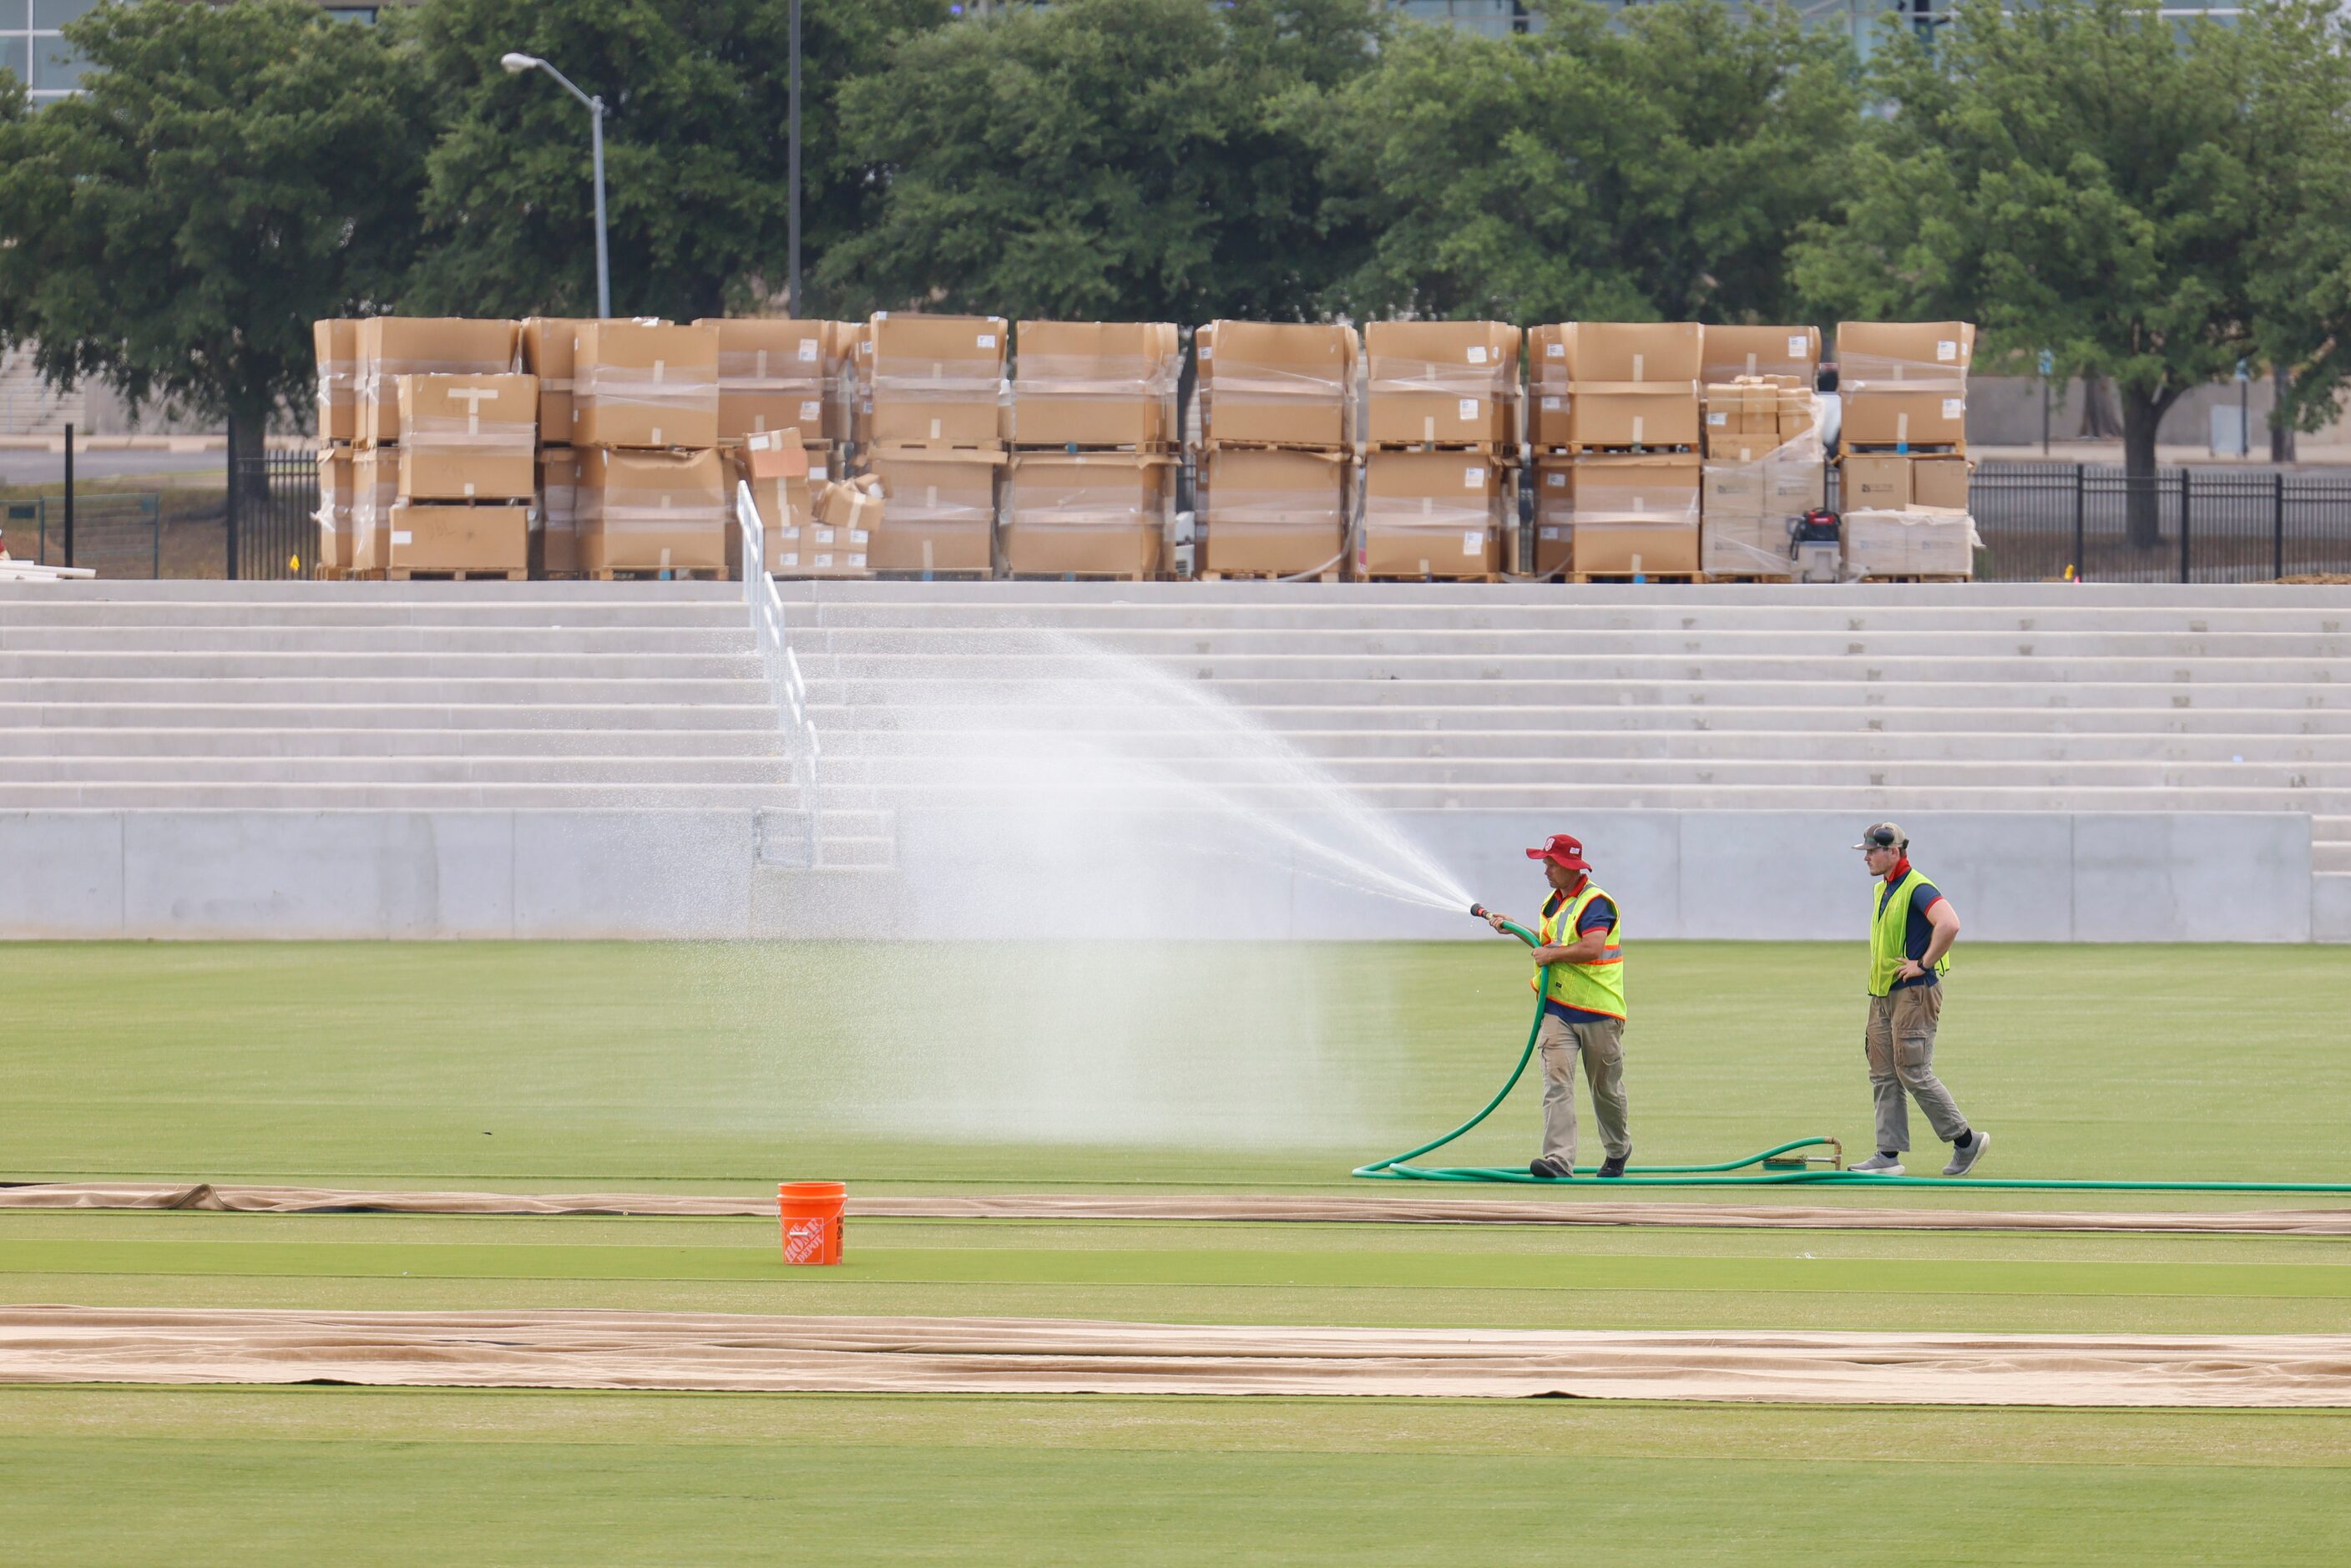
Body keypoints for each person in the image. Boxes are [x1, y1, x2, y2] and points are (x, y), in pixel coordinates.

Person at [1484, 833, 1631, 1180]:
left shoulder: (1597, 903)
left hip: (1599, 1011)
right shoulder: (1554, 902)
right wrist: (1515, 928)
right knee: (1556, 1081)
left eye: (1550, 863)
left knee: (1605, 1088)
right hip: (1557, 1010)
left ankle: (1617, 1152)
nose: (1545, 869)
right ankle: (1558, 1161)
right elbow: (1548, 943)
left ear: (1569, 866)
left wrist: (1551, 954)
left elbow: (1592, 946)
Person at [1849, 822, 1989, 1176]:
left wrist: (1923, 964)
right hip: (1883, 993)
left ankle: (1965, 1140)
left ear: (1892, 852)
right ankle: (1887, 1155)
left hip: (1913, 993)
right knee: (1883, 1073)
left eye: (1871, 851)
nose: (1866, 857)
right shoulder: (1885, 888)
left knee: (1913, 1071)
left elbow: (1949, 924)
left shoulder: (1917, 887)